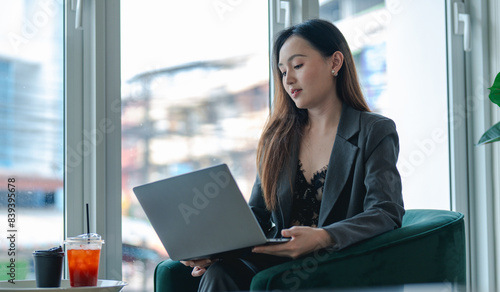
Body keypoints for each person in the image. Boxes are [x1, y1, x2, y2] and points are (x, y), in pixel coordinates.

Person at [181, 18, 405, 291]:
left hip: (338, 262)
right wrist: (217, 248)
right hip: (276, 261)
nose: (288, 79)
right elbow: (259, 214)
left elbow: (386, 211)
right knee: (219, 272)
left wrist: (324, 237)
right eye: (282, 70)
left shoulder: (374, 131)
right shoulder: (277, 137)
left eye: (298, 65)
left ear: (334, 62)